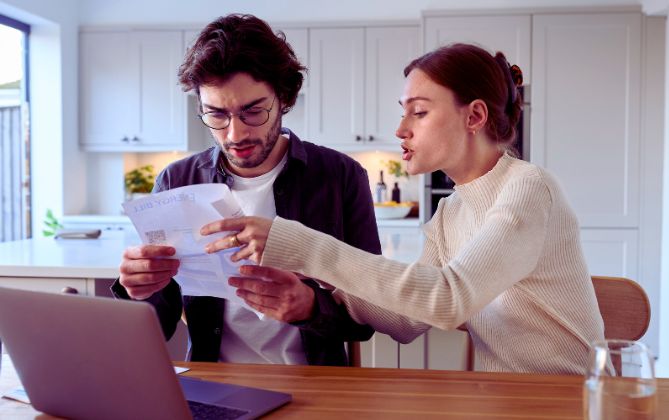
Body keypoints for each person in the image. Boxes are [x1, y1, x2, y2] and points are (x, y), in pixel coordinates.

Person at [201, 43, 606, 374]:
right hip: (504, 402)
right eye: (403, 110)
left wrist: (301, 245)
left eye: (420, 111)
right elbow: (406, 321)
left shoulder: (529, 188)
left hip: (573, 402)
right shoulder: (451, 212)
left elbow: (448, 301)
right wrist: (314, 288)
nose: (400, 129)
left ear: (475, 116)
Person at [112, 14, 380, 366]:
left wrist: (311, 307)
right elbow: (158, 327)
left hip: (320, 385)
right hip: (216, 381)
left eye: (253, 111)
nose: (235, 134)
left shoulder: (341, 176)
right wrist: (137, 290)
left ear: (284, 97)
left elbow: (369, 317)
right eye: (216, 115)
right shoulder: (176, 181)